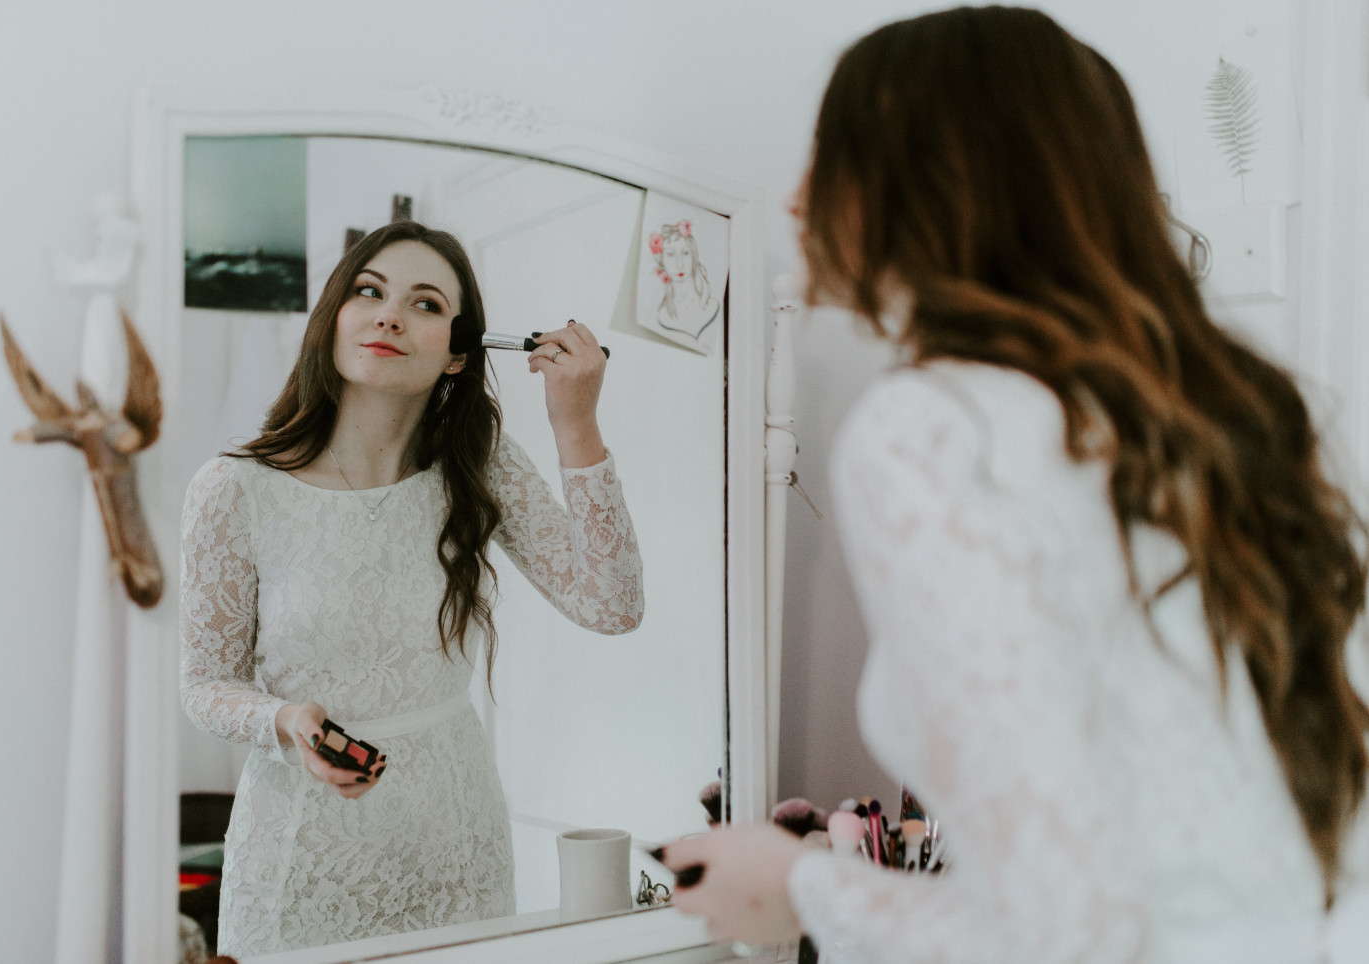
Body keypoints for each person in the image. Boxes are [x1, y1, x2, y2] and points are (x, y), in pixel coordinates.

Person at [662, 7, 1369, 961]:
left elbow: (1062, 930)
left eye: (832, 153)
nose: (793, 198)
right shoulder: (1238, 414)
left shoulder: (931, 427)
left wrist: (801, 888)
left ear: (942, 180)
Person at [178, 219, 644, 956]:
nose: (390, 313)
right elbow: (205, 683)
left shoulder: (478, 465)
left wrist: (575, 423)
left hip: (455, 849)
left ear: (458, 354)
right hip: (302, 860)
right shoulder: (233, 490)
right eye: (369, 291)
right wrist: (287, 720)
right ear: (333, 319)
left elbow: (612, 605)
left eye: (426, 303)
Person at [651, 219, 720, 342]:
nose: (679, 264)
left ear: (694, 255)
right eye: (671, 254)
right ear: (662, 260)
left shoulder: (711, 304)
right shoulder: (663, 314)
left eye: (686, 253)